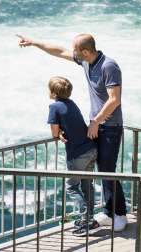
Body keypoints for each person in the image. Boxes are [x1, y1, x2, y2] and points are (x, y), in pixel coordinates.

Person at [18, 33, 127, 231]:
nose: (73, 54)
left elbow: (114, 99)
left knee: (107, 170)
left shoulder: (108, 66)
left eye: (77, 51)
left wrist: (96, 121)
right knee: (101, 170)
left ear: (86, 51)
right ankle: (109, 211)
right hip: (97, 125)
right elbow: (59, 51)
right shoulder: (86, 62)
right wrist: (34, 42)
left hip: (109, 126)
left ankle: (119, 213)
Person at [47, 76, 100, 236]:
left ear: (52, 92)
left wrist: (59, 135)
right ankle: (90, 220)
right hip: (91, 149)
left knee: (72, 187)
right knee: (87, 185)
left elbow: (55, 132)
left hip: (77, 153)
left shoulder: (54, 107)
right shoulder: (72, 103)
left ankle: (87, 220)